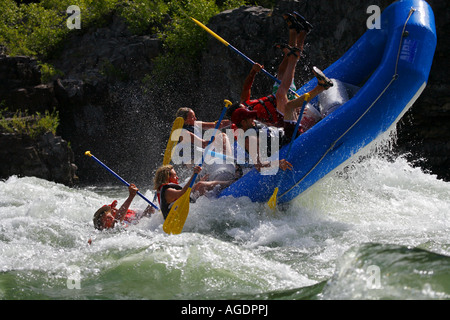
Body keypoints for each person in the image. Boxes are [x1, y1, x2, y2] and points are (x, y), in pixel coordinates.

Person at [226, 12, 333, 128]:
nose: (244, 107)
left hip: (277, 96)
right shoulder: (250, 121)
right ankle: (300, 32)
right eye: (242, 108)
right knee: (290, 62)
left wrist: (253, 72)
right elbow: (273, 126)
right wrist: (291, 114)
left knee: (283, 67)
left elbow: (246, 87)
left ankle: (299, 31)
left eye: (243, 107)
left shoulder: (245, 103)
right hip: (284, 105)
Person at [154, 164, 233, 219]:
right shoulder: (167, 190)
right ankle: (230, 183)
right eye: (174, 175)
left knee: (200, 184)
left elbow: (186, 191)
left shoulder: (166, 189)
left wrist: (198, 183)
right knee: (201, 185)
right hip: (176, 217)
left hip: (181, 210)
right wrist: (194, 174)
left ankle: (219, 187)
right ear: (167, 177)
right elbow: (182, 193)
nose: (177, 177)